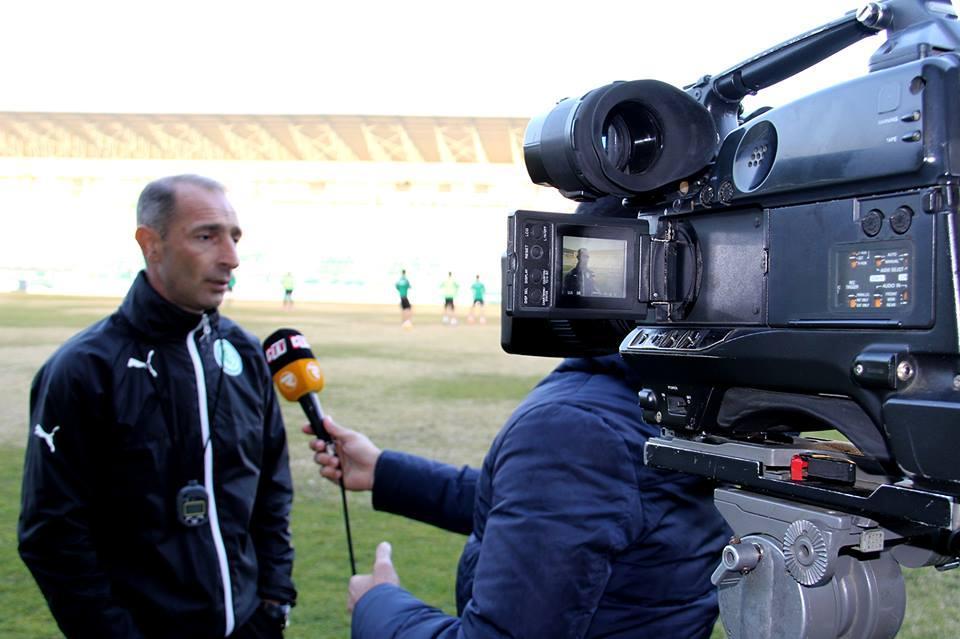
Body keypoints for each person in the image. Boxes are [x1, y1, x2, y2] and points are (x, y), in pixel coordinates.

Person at [19, 174, 297, 639]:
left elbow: (272, 489)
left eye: (234, 237)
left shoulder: (245, 354)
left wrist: (272, 601)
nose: (231, 257)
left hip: (251, 625)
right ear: (150, 244)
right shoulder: (84, 370)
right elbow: (52, 535)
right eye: (206, 236)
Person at [308, 355, 730, 638]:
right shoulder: (676, 397)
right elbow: (552, 514)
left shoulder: (578, 425)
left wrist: (377, 604)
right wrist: (385, 472)